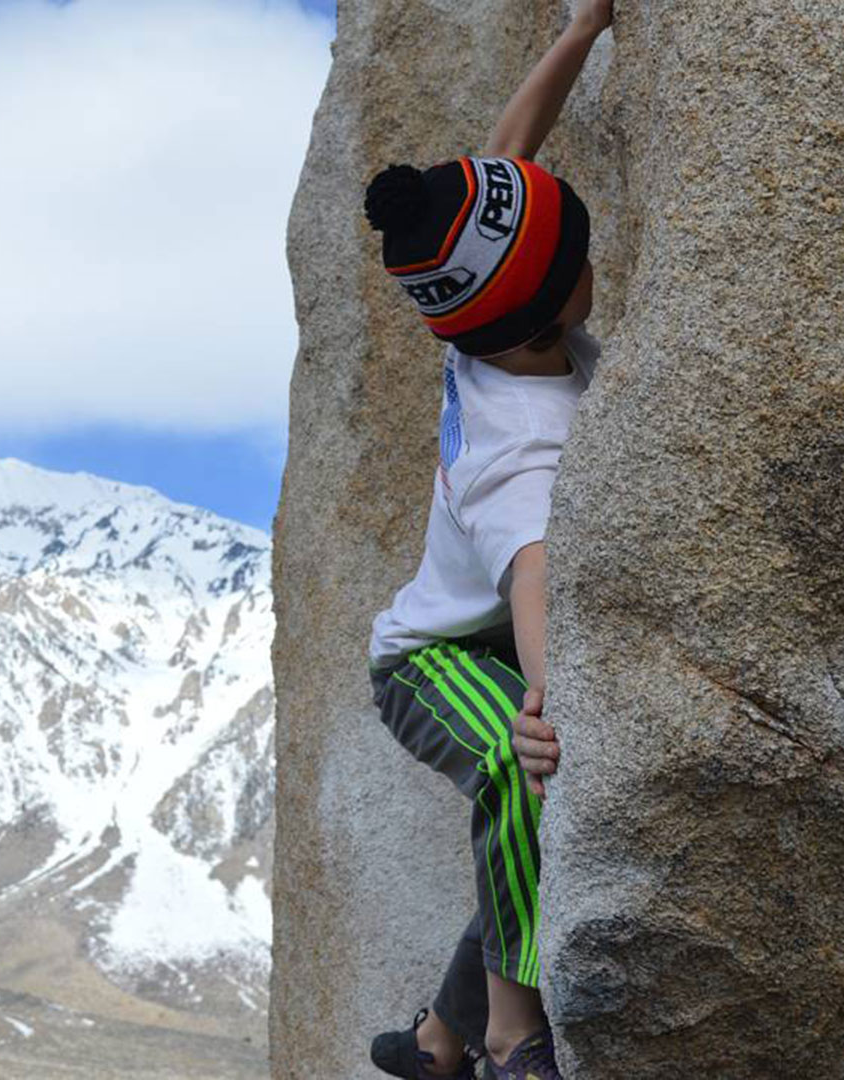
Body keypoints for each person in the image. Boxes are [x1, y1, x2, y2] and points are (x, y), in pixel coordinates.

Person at [362, 3, 614, 1078]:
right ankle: (511, 1038)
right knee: (522, 770)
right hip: (428, 664)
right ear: (549, 310)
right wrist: (550, 706)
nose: (594, 255)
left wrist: (580, 32)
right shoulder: (523, 441)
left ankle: (433, 1038)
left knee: (519, 832)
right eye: (584, 255)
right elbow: (536, 571)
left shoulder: (481, 330)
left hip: (489, 635)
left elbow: (508, 157)